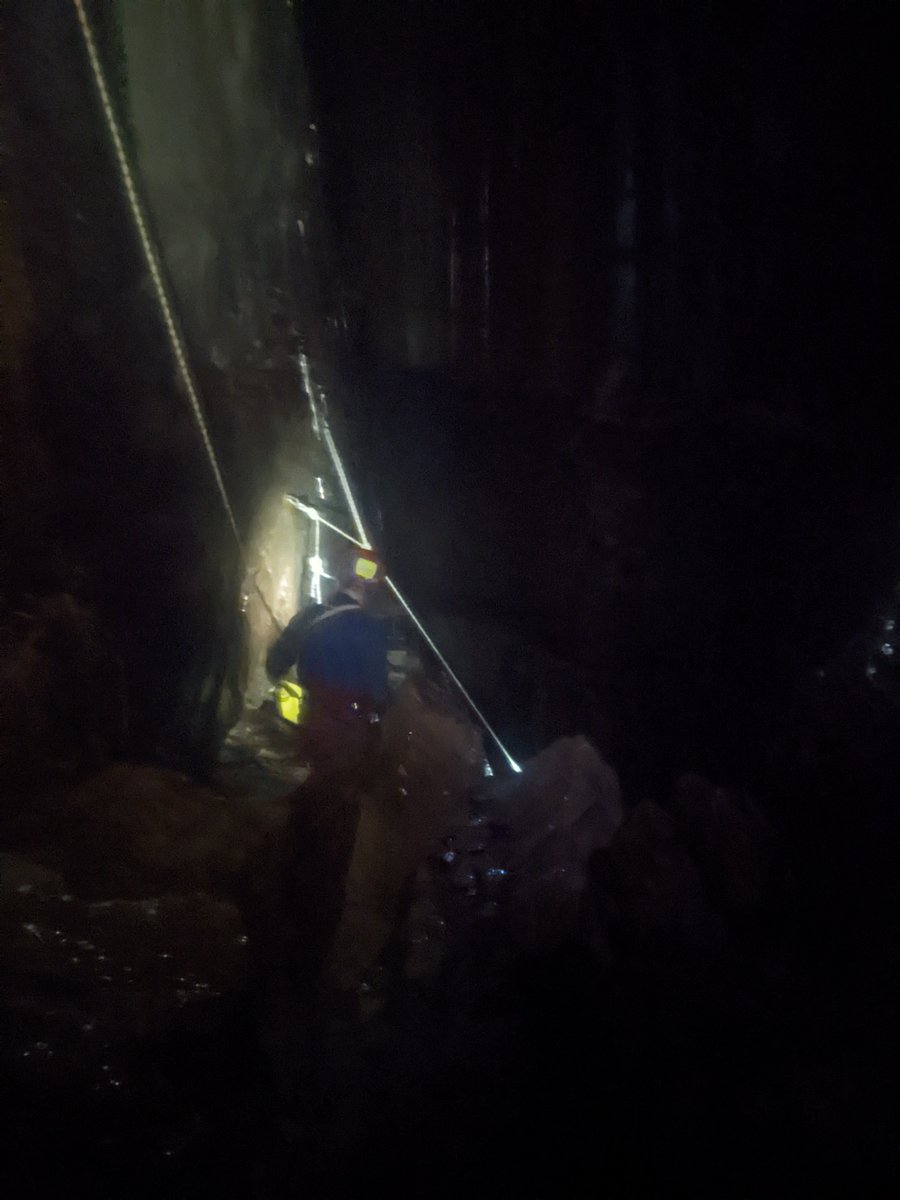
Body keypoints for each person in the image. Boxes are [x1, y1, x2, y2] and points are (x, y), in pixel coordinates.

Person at [266, 544, 389, 778]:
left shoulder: (309, 617)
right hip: (350, 732)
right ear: (371, 587)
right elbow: (379, 693)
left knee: (317, 781)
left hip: (312, 721)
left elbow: (275, 665)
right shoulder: (373, 630)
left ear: (338, 577)